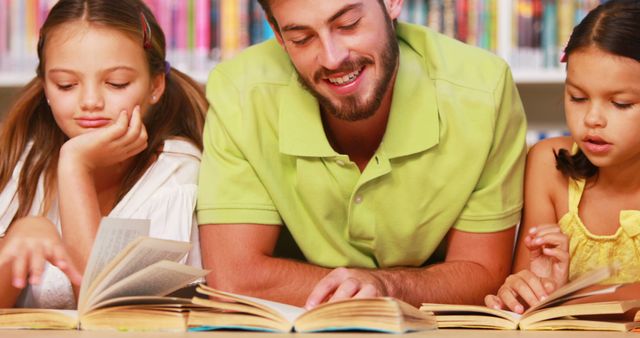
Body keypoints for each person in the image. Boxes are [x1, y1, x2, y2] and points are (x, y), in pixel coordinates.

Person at [198, 0, 527, 308]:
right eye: (301, 38)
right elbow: (234, 278)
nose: (331, 57)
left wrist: (386, 286)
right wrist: (369, 289)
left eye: (348, 24)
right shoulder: (238, 92)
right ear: (278, 36)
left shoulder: (484, 92)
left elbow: (482, 274)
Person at [0, 0, 207, 309]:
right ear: (45, 86)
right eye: (66, 85)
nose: (91, 101)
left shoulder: (178, 174)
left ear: (155, 85)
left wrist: (75, 166)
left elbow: (102, 313)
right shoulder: (24, 162)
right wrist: (17, 238)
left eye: (116, 83)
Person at [485, 0, 640, 314]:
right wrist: (527, 289)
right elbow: (531, 286)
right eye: (577, 97)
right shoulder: (548, 163)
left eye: (621, 103)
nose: (592, 119)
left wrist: (568, 296)